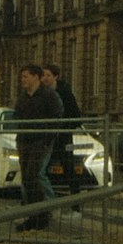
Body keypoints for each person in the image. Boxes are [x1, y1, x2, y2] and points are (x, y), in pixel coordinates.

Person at [14, 62, 62, 231]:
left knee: (34, 175)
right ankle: (33, 215)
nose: (22, 80)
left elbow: (57, 115)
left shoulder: (49, 95)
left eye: (25, 76)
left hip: (41, 142)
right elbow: (16, 116)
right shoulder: (23, 97)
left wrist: (48, 137)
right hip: (25, 142)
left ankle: (41, 215)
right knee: (27, 179)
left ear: (35, 77)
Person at [41, 64, 81, 195]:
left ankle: (76, 206)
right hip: (47, 138)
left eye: (48, 75)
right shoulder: (41, 92)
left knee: (68, 168)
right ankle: (38, 203)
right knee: (40, 170)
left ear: (55, 77)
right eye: (43, 75)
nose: (45, 78)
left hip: (63, 137)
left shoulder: (65, 92)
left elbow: (76, 116)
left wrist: (64, 128)